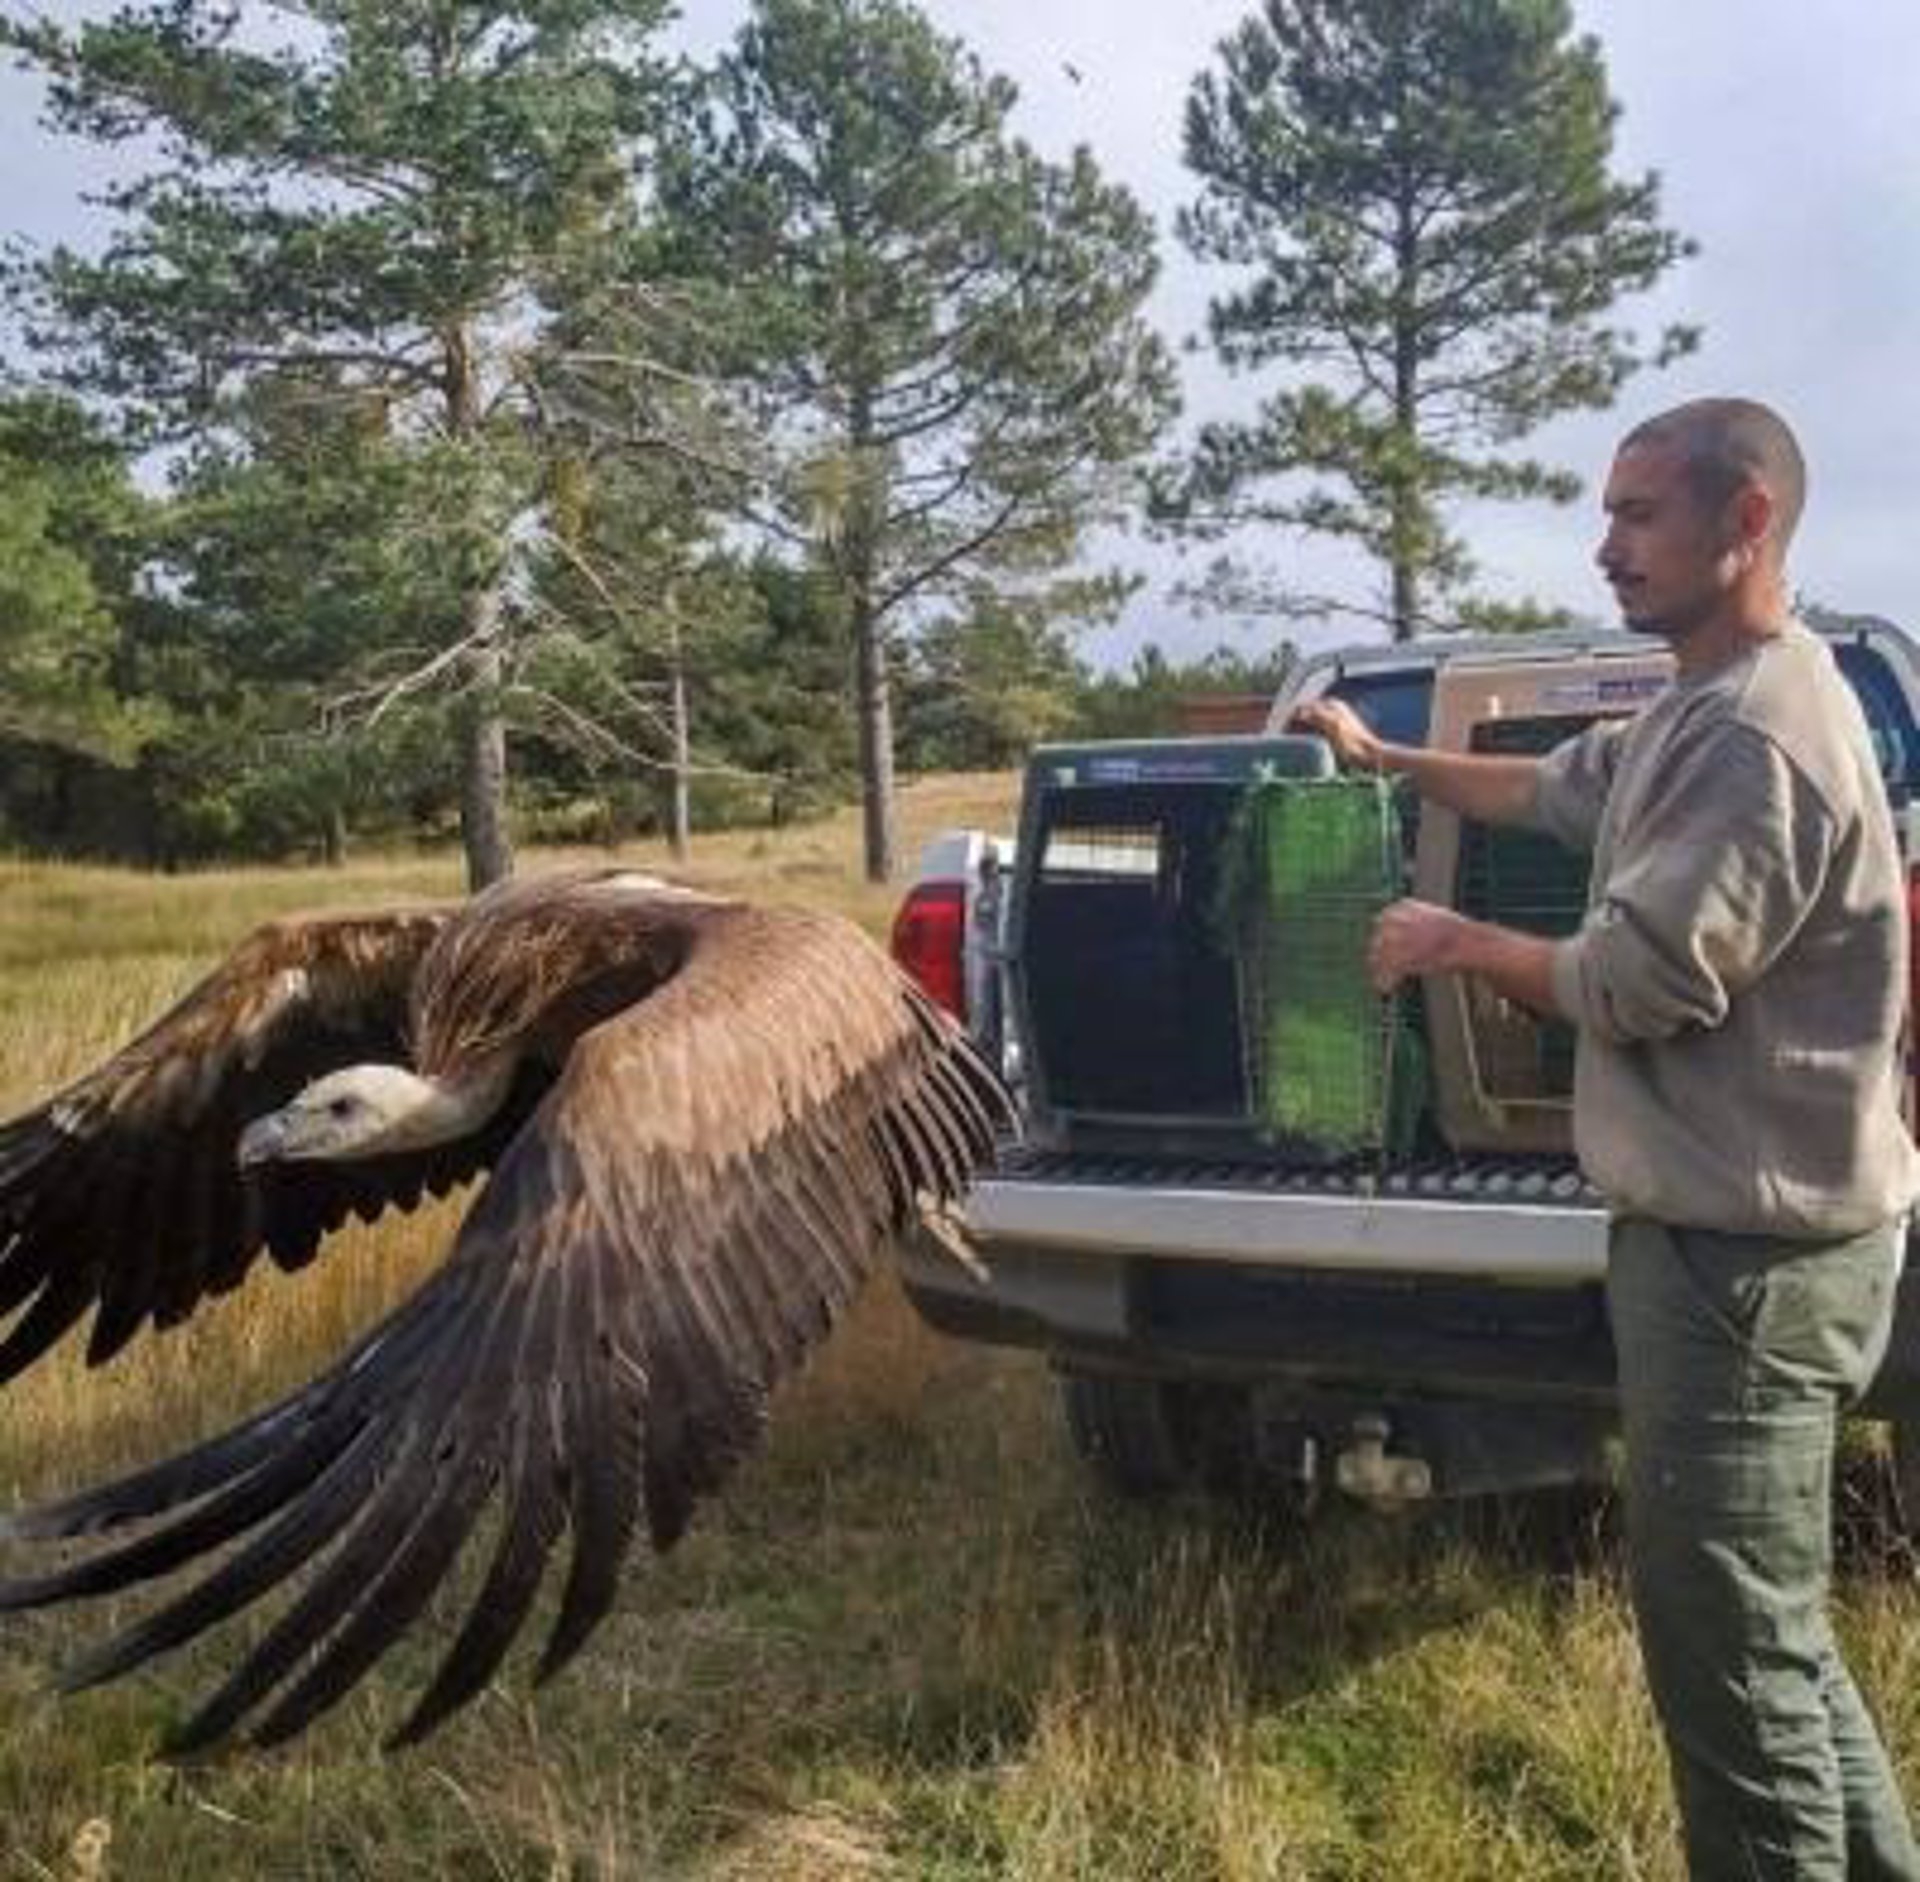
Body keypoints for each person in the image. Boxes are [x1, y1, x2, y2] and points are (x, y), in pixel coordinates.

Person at [1293, 397, 1920, 1880]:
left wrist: (1452, 937)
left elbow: (1636, 982)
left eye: (1641, 514)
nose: (1606, 546)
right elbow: (1554, 786)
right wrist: (1387, 759)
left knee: (1729, 1672)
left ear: (1746, 521)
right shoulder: (1710, 698)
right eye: (1609, 512)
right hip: (1733, 1250)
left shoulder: (1762, 739)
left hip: (1745, 1271)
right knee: (1766, 1626)